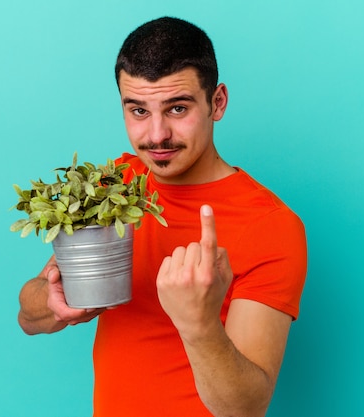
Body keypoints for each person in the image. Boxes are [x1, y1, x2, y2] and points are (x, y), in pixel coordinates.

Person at [17, 16, 307, 417]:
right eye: (138, 110)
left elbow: (246, 408)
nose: (156, 135)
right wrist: (54, 300)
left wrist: (198, 322)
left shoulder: (270, 225)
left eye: (177, 108)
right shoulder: (111, 186)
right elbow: (28, 317)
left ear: (217, 102)